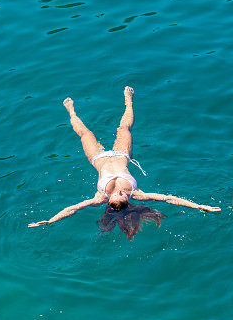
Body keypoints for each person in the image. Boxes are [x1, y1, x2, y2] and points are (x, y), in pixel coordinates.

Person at [28, 87, 221, 229]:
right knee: (124, 128)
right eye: (122, 195)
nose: (120, 192)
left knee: (85, 134)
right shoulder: (136, 193)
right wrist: (198, 205)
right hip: (122, 155)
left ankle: (71, 110)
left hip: (98, 158)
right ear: (128, 201)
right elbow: (168, 198)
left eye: (117, 194)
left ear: (109, 199)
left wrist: (51, 220)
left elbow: (72, 208)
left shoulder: (99, 197)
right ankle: (129, 100)